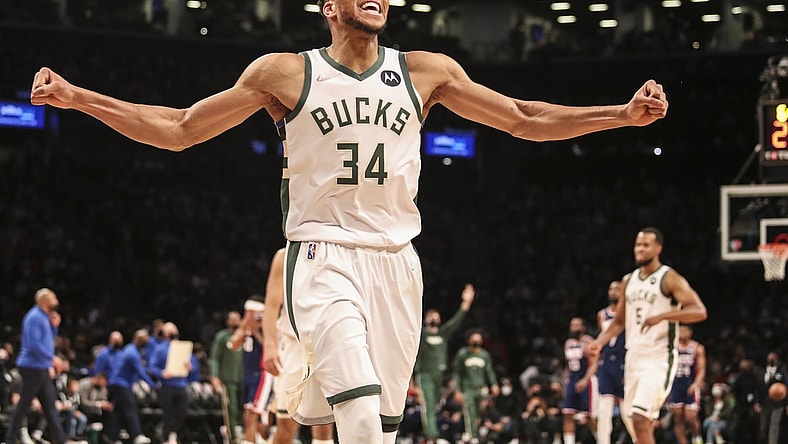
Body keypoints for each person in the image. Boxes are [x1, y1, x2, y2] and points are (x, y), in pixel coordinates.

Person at [29, 0, 669, 439]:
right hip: (323, 257)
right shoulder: (286, 72)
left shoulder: (425, 71)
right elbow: (177, 129)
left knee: (374, 432)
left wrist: (621, 114)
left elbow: (524, 118)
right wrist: (76, 97)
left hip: (399, 267)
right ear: (328, 5)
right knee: (359, 424)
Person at [589, 227, 708, 444]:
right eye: (637, 244)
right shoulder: (629, 280)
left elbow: (699, 311)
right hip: (633, 358)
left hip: (659, 358)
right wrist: (599, 342)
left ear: (658, 248)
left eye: (645, 245)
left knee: (641, 418)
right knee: (636, 423)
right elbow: (619, 321)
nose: (640, 249)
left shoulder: (668, 278)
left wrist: (663, 316)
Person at [261, 248, 334, 444]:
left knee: (325, 424)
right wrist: (270, 345)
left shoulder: (337, 248)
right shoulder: (284, 255)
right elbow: (271, 305)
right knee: (286, 425)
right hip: (293, 346)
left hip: (327, 344)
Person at [4, 288, 85, 444]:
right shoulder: (34, 317)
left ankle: (60, 440)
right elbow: (34, 345)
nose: (56, 300)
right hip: (32, 366)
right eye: (53, 297)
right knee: (24, 404)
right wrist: (53, 359)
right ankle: (10, 439)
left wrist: (54, 326)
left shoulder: (44, 317)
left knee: (49, 406)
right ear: (45, 301)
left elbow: (49, 341)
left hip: (41, 367)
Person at [414, 283, 475, 444]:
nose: (434, 318)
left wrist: (466, 303)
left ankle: (432, 434)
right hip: (425, 374)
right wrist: (412, 380)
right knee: (427, 405)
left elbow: (456, 321)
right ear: (426, 319)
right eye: (431, 316)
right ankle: (431, 436)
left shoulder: (443, 333)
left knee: (434, 406)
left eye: (436, 316)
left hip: (439, 375)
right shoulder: (421, 334)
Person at [227, 296, 273, 444]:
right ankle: (269, 436)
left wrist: (256, 332)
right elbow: (233, 345)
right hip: (247, 375)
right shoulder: (245, 329)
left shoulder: (267, 327)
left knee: (251, 414)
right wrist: (244, 328)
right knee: (250, 415)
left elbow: (270, 348)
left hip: (262, 375)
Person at [147, 322, 201, 444]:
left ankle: (169, 432)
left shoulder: (183, 348)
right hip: (166, 385)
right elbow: (151, 367)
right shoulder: (160, 348)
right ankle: (166, 438)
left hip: (181, 384)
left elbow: (194, 367)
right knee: (169, 414)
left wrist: (190, 367)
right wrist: (162, 373)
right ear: (164, 333)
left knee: (183, 412)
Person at [595, 280, 630, 444]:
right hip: (607, 363)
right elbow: (602, 340)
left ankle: (640, 439)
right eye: (611, 288)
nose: (613, 291)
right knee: (604, 410)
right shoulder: (602, 314)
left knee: (627, 411)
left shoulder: (629, 312)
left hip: (625, 362)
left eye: (617, 289)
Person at [106, 329, 154, 444]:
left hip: (117, 383)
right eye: (145, 340)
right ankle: (137, 435)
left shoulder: (130, 349)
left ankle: (113, 437)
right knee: (131, 407)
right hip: (120, 383)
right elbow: (140, 371)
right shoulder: (132, 353)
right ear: (139, 340)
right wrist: (153, 384)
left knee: (119, 411)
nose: (147, 342)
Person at [452, 329, 499, 442]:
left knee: (478, 413)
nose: (476, 341)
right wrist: (457, 390)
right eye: (474, 339)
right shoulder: (462, 354)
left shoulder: (485, 355)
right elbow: (457, 374)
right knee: (469, 412)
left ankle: (473, 434)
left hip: (481, 388)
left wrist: (494, 384)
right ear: (468, 340)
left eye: (478, 339)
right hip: (467, 389)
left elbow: (489, 372)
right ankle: (472, 436)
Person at [209, 310, 244, 442]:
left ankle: (243, 432)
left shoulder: (246, 336)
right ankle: (232, 436)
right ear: (228, 321)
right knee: (231, 409)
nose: (235, 321)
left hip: (243, 378)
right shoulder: (222, 336)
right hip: (227, 379)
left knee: (245, 409)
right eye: (232, 319)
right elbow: (215, 358)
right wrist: (214, 376)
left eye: (237, 319)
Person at [561, 317, 597, 444]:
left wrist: (585, 380)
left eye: (577, 325)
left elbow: (594, 364)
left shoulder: (589, 342)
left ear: (583, 327)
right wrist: (566, 381)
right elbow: (567, 365)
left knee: (589, 416)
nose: (574, 327)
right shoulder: (568, 343)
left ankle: (602, 439)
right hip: (572, 380)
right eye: (572, 325)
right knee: (567, 413)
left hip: (586, 380)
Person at [668, 324, 706, 444]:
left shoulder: (697, 348)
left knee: (691, 416)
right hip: (676, 384)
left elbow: (702, 369)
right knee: (678, 417)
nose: (681, 332)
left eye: (684, 330)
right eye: (680, 329)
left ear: (690, 332)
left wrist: (696, 384)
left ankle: (697, 437)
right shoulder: (672, 347)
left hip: (690, 383)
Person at [755, 351, 786, 444]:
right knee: (763, 427)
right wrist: (756, 402)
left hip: (778, 404)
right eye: (770, 358)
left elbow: (786, 387)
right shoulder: (761, 372)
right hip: (764, 403)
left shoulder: (781, 372)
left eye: (773, 358)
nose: (771, 359)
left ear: (777, 359)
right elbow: (757, 388)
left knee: (774, 426)